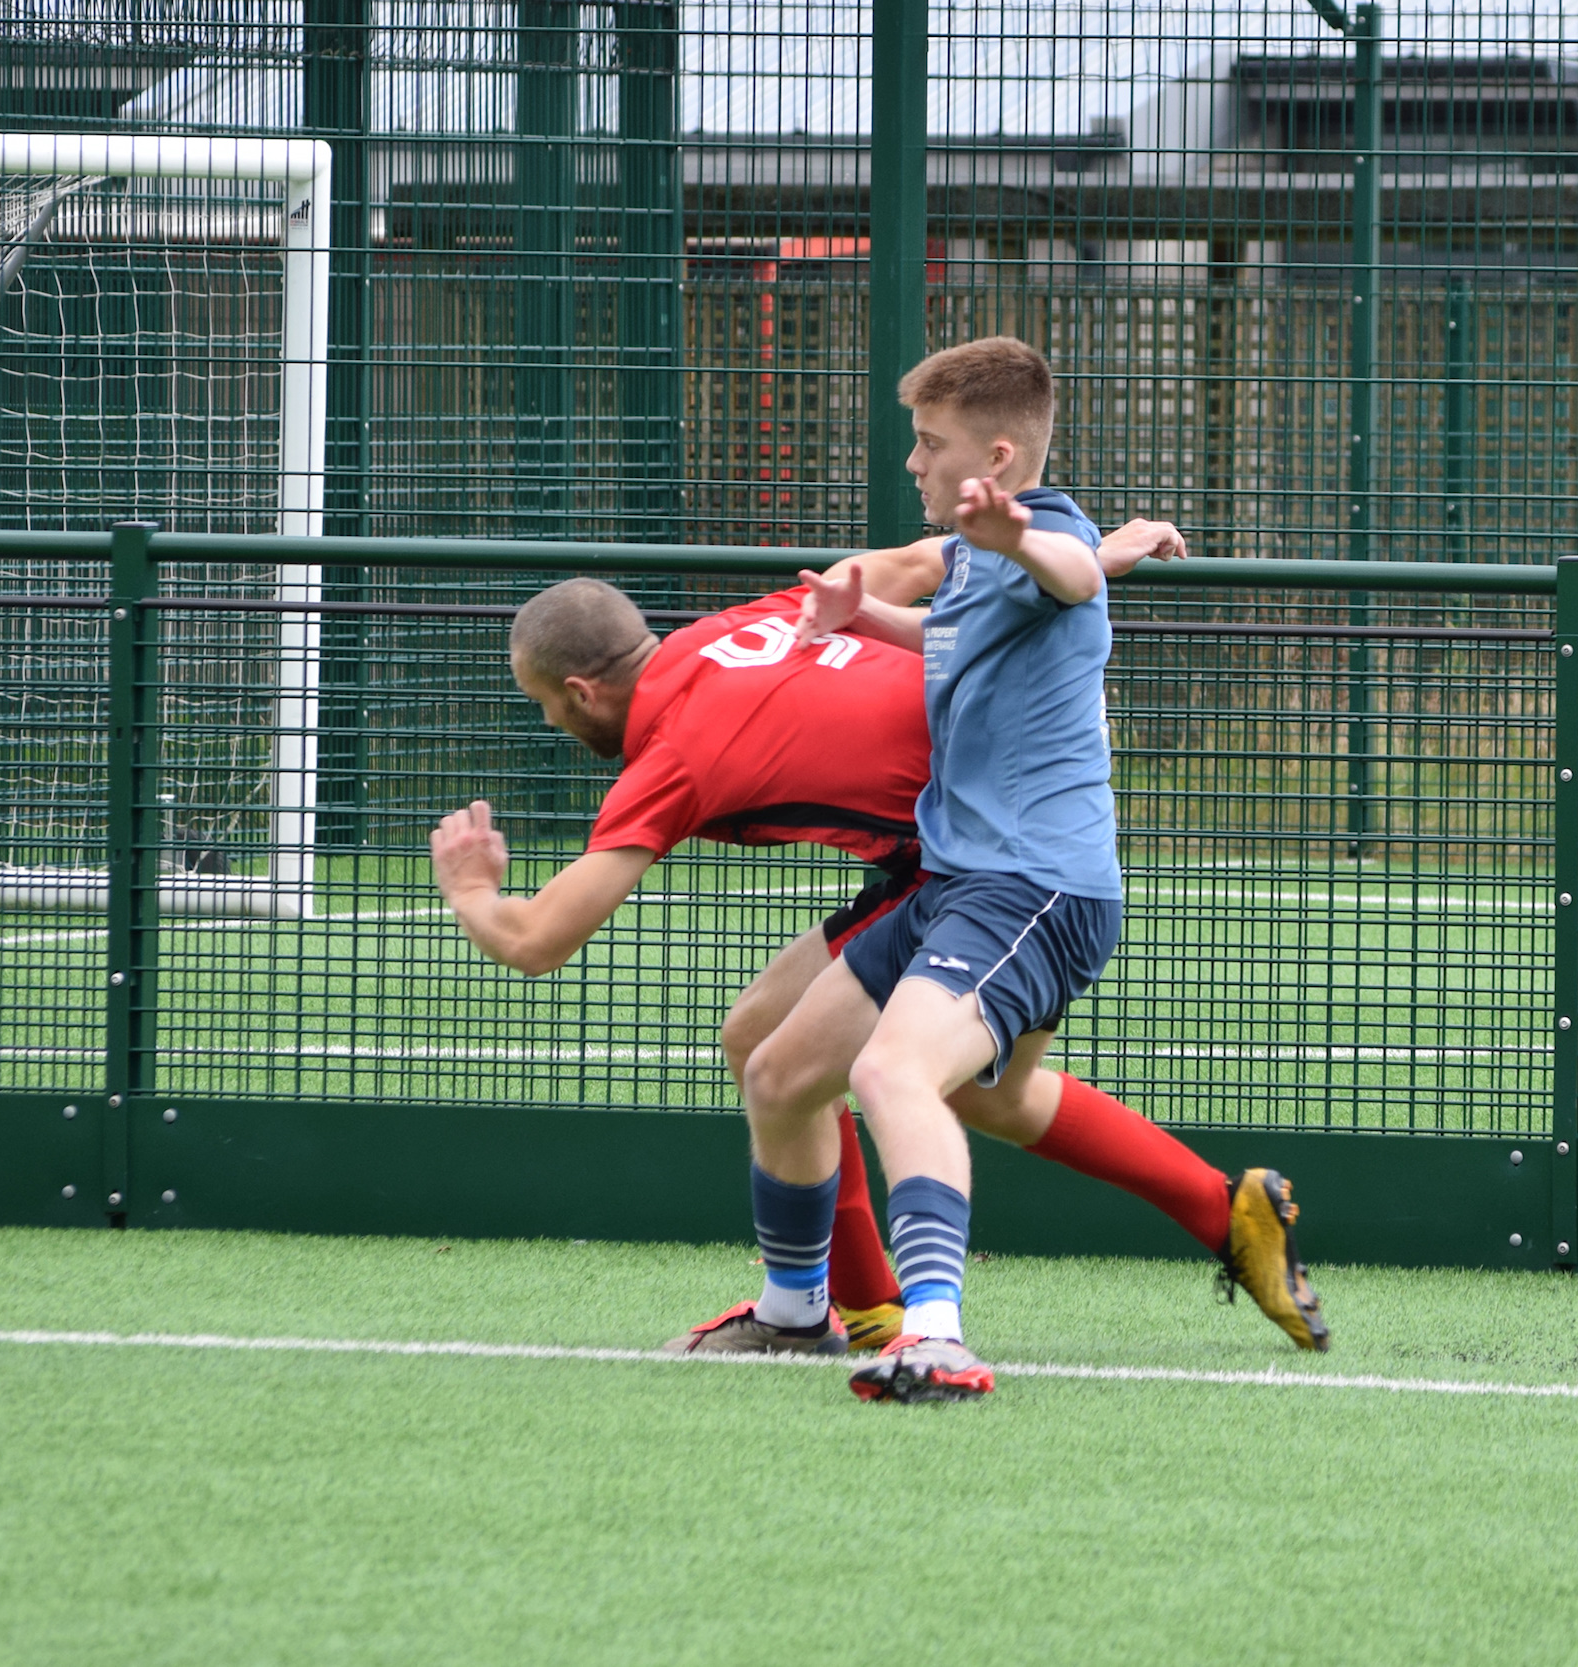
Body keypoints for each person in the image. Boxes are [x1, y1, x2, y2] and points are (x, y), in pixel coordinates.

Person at [428, 512, 1325, 1361]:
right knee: (793, 1053)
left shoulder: (673, 755)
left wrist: (472, 892)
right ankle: (843, 1305)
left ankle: (870, 1310)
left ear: (581, 689)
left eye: (544, 703)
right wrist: (1092, 552)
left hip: (997, 860)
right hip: (968, 841)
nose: (549, 722)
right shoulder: (749, 619)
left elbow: (542, 939)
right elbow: (939, 559)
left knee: (928, 1082)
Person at [701, 336, 1324, 1403]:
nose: (911, 462)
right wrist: (868, 620)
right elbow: (958, 633)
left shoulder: (1042, 535)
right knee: (781, 1068)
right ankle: (799, 1309)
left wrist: (1028, 534)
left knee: (894, 1073)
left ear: (992, 455)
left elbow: (1075, 576)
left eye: (927, 444)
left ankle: (934, 1335)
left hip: (1034, 889)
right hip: (957, 882)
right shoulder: (973, 560)